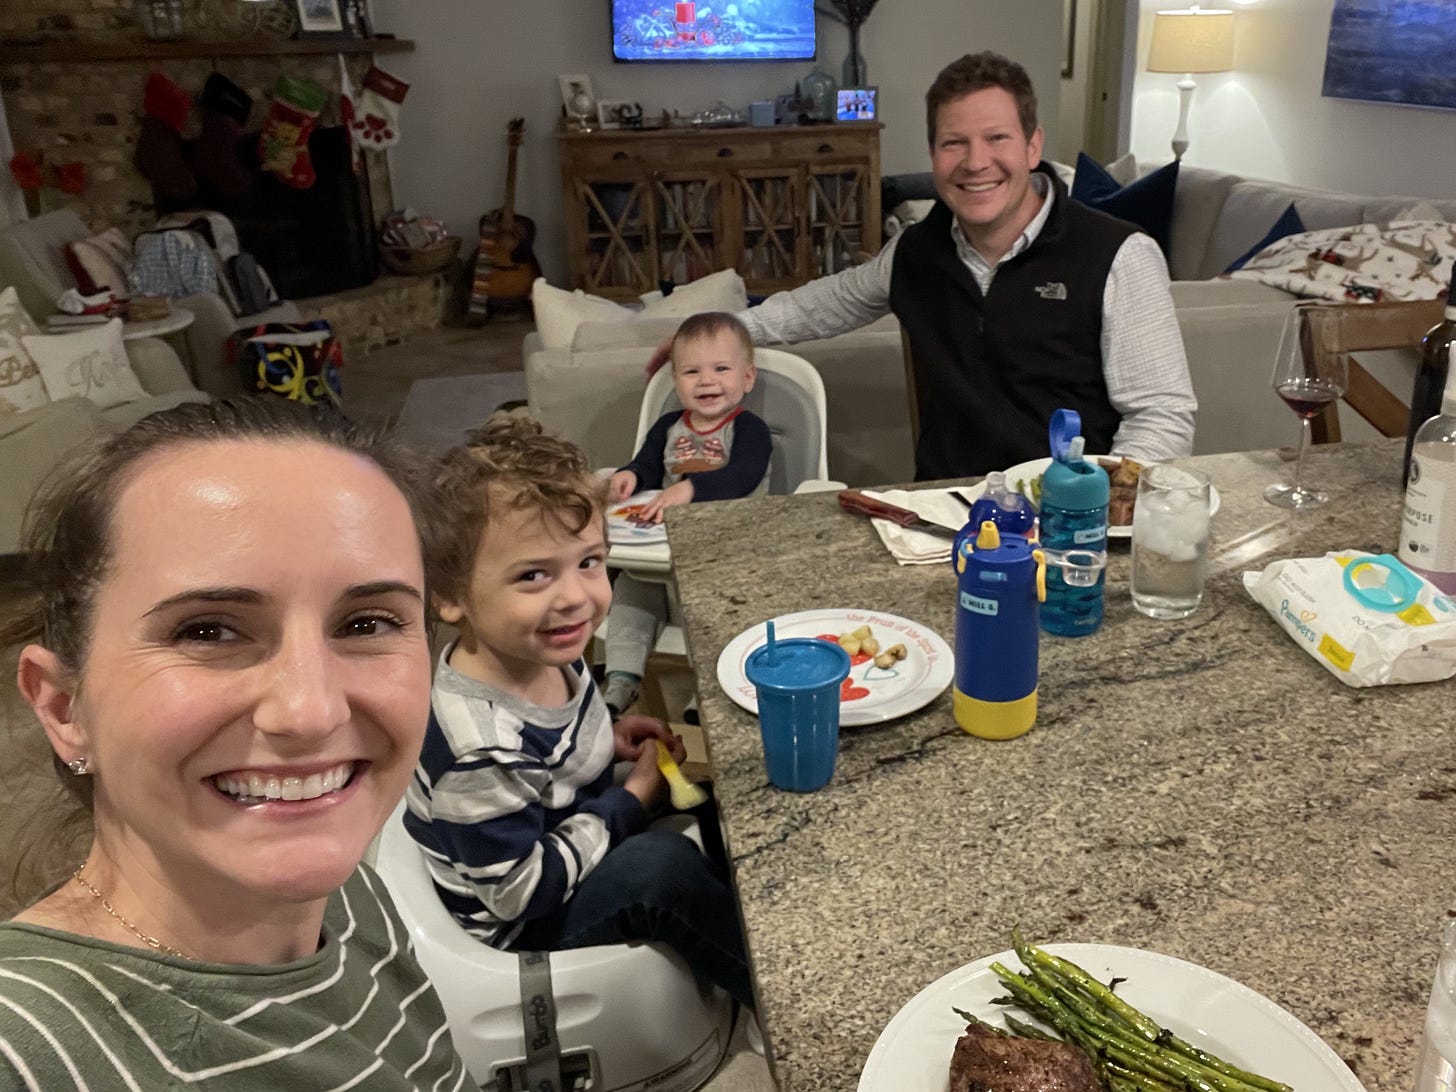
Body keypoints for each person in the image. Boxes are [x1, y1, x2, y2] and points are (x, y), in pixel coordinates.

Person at [0, 400, 474, 1089]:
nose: (310, 711)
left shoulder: (351, 901)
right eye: (208, 631)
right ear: (64, 705)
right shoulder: (26, 1049)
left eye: (367, 621)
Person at [650, 51, 1197, 481]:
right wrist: (721, 334)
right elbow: (825, 303)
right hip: (944, 512)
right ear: (933, 154)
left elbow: (1161, 417)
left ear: (1033, 146)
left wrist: (1092, 503)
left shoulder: (1119, 254)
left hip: (1070, 521)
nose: (975, 162)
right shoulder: (916, 251)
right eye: (953, 143)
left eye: (996, 139)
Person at [404, 413, 754, 1008]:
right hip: (523, 932)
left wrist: (609, 740)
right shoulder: (478, 749)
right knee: (659, 869)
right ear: (450, 598)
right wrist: (629, 800)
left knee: (722, 801)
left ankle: (750, 916)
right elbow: (520, 893)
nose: (575, 597)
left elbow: (552, 759)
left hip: (560, 831)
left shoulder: (539, 651)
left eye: (589, 562)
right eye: (533, 574)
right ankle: (772, 988)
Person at [602, 311, 770, 716]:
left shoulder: (750, 429)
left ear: (747, 378)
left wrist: (691, 488)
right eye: (691, 371)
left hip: (728, 551)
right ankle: (621, 679)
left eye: (721, 369)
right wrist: (629, 476)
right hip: (662, 548)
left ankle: (709, 687)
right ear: (675, 380)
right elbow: (645, 465)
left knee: (712, 607)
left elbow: (742, 477)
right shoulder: (667, 427)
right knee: (631, 589)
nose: (706, 380)